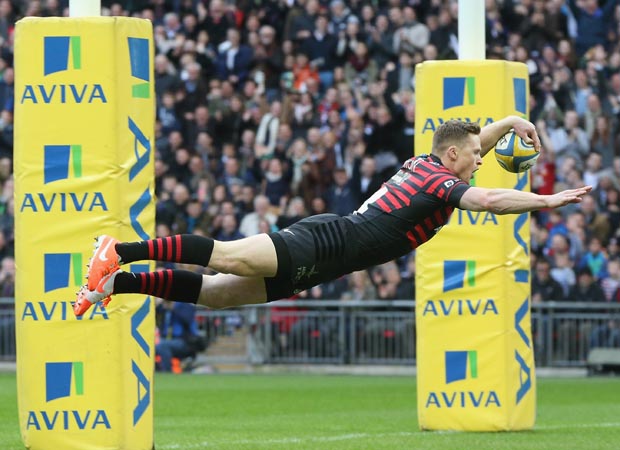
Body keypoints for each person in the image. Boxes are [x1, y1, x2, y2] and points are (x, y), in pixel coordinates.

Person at [73, 116, 592, 316]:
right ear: (454, 156)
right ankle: (120, 251)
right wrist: (547, 201)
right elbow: (490, 201)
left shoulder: (431, 162)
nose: (481, 160)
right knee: (228, 258)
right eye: (476, 156)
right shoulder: (440, 181)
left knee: (217, 296)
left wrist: (512, 121)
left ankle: (112, 286)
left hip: (331, 260)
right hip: (327, 240)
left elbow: (471, 141)